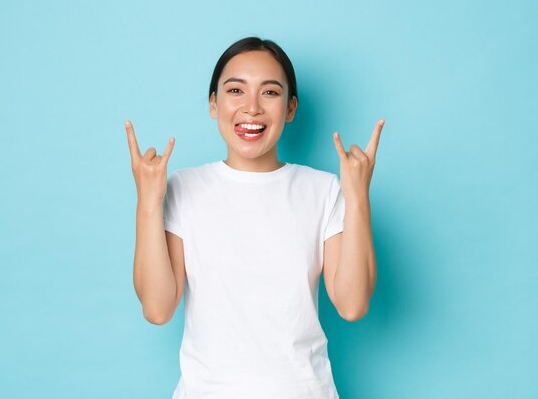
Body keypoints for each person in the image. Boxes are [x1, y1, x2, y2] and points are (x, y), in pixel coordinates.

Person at [125, 36, 384, 399]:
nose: (251, 108)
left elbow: (353, 304)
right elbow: (157, 308)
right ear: (214, 104)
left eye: (270, 93)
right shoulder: (183, 187)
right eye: (235, 90)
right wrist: (148, 203)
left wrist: (358, 198)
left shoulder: (323, 190)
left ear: (290, 108)